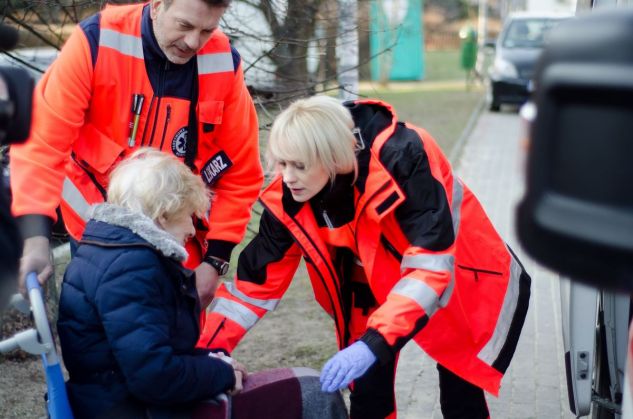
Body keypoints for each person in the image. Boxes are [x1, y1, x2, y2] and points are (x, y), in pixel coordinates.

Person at [198, 96, 532, 418]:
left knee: (460, 391)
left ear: (334, 158)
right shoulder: (288, 198)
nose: (287, 177)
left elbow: (430, 264)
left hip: (459, 274)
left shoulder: (405, 154)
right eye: (282, 163)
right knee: (369, 395)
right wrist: (205, 352)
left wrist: (373, 343)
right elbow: (252, 288)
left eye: (300, 166)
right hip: (369, 285)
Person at [57, 149, 347, 419]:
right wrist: (219, 374)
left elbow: (145, 354)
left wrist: (213, 361)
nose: (192, 229)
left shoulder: (106, 253)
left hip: (119, 401)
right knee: (316, 394)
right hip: (139, 409)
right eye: (187, 216)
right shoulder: (131, 270)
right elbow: (153, 377)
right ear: (162, 216)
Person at [9, 0, 263, 308]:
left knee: (171, 349)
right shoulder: (97, 41)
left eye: (207, 30)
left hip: (179, 243)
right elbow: (41, 144)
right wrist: (35, 238)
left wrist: (216, 261)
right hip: (98, 237)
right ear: (157, 6)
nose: (193, 42)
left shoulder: (222, 62)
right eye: (184, 26)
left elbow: (241, 172)